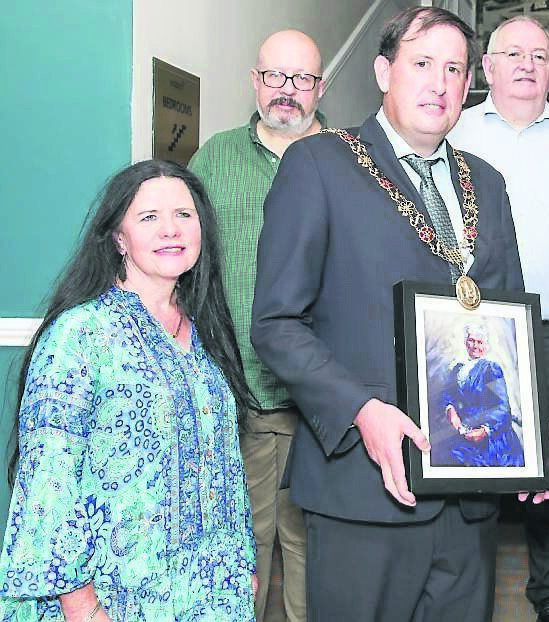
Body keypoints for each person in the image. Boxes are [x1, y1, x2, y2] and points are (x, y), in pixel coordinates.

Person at [250, 7, 549, 621]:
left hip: (469, 495)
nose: (438, 83)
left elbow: (504, 322)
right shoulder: (318, 166)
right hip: (364, 490)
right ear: (382, 71)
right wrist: (361, 412)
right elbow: (276, 323)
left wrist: (534, 419)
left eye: (453, 69)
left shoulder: (488, 184)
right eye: (421, 64)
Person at [0, 160, 256, 621]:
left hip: (211, 597)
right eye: (148, 217)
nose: (170, 230)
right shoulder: (80, 334)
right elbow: (47, 483)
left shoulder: (207, 333)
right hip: (113, 600)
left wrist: (245, 565)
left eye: (184, 214)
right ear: (119, 238)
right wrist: (82, 607)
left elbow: (226, 463)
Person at [447, 15, 549, 621]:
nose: (525, 64)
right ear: (486, 68)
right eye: (511, 53)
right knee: (470, 456)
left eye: (538, 55)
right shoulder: (452, 134)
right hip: (474, 328)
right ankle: (469, 589)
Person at [188, 28, 325, 622]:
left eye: (301, 80)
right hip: (238, 393)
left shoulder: (348, 158)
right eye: (274, 77)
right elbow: (183, 259)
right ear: (255, 80)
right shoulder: (214, 157)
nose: (286, 92)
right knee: (240, 550)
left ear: (321, 87)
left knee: (313, 553)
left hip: (325, 404)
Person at [434, 324, 525, 468]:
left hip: (489, 434)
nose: (475, 346)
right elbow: (447, 394)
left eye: (480, 342)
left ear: (486, 346)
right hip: (464, 429)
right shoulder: (458, 369)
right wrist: (450, 409)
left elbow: (502, 407)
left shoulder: (490, 369)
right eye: (471, 340)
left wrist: (485, 431)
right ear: (465, 342)